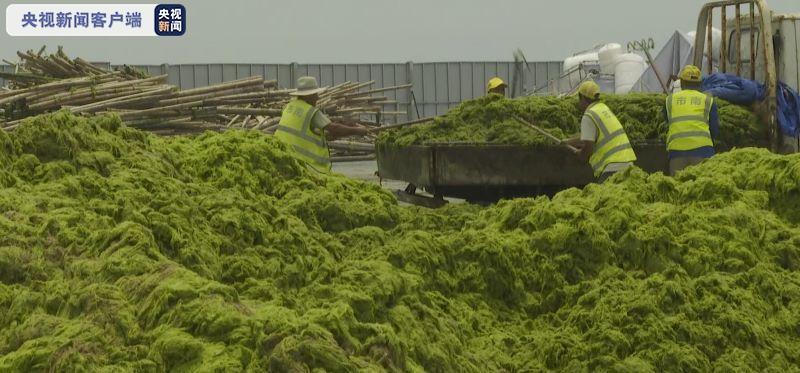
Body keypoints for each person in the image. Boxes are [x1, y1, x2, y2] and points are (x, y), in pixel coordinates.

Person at [275, 76, 370, 173]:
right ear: (308, 95)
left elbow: (300, 135)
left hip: (282, 155)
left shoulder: (289, 107)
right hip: (303, 164)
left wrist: (325, 137)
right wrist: (359, 130)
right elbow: (334, 128)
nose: (317, 97)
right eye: (315, 94)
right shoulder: (310, 111)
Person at [565, 81, 637, 183]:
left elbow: (588, 148)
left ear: (583, 98)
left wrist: (580, 155)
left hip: (612, 167)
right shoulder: (603, 108)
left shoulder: (588, 116)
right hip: (628, 164)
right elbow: (588, 137)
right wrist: (568, 141)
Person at [664, 65, 719, 176]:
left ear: (682, 83)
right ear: (699, 84)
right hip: (703, 152)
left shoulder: (670, 100)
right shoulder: (708, 100)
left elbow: (667, 120)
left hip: (676, 152)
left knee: (677, 188)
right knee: (701, 188)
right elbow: (715, 130)